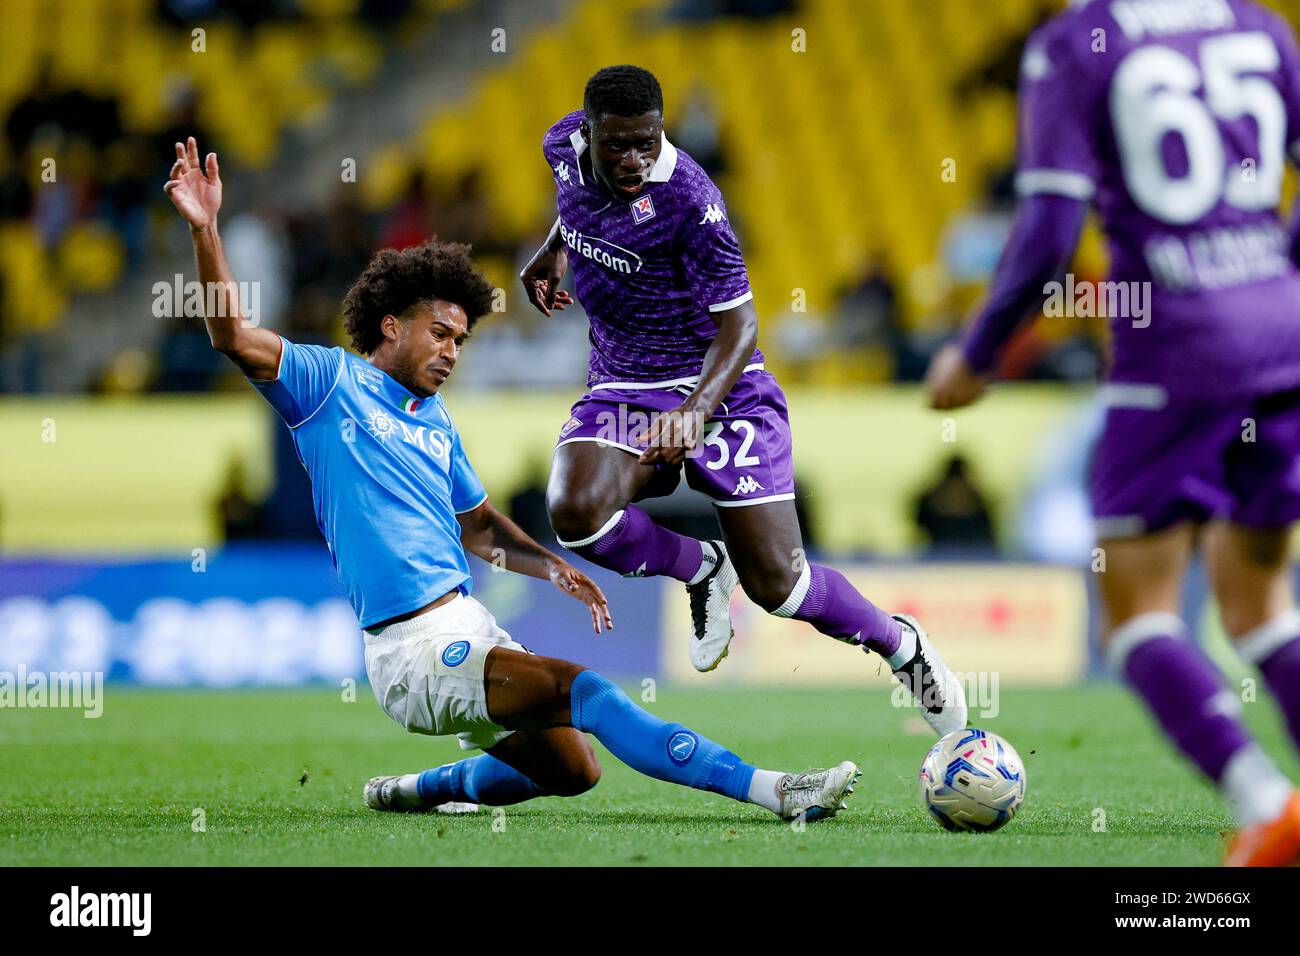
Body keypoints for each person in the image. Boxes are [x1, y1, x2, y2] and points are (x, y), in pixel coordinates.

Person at [163, 136, 858, 821]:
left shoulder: (436, 424)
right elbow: (232, 335)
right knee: (590, 693)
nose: (451, 352)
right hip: (413, 649)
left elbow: (480, 527)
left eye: (460, 340)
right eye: (439, 333)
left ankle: (411, 790)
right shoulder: (327, 384)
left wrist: (554, 566)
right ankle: (773, 789)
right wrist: (206, 230)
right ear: (389, 325)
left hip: (470, 620)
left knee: (573, 769)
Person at [924, 0, 1300, 866]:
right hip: (1281, 335)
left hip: (1174, 345)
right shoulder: (1259, 25)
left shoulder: (1072, 44)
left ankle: (1266, 802)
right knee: (1261, 607)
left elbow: (1053, 229)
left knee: (1136, 618)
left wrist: (977, 354)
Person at [520, 65, 967, 736]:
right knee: (576, 512)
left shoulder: (692, 202)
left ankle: (901, 645)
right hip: (623, 386)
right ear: (588, 134)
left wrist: (696, 410)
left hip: (721, 392)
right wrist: (553, 252)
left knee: (781, 589)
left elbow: (742, 326)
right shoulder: (562, 148)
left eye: (648, 140)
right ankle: (703, 567)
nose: (635, 158)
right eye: (617, 144)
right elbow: (575, 207)